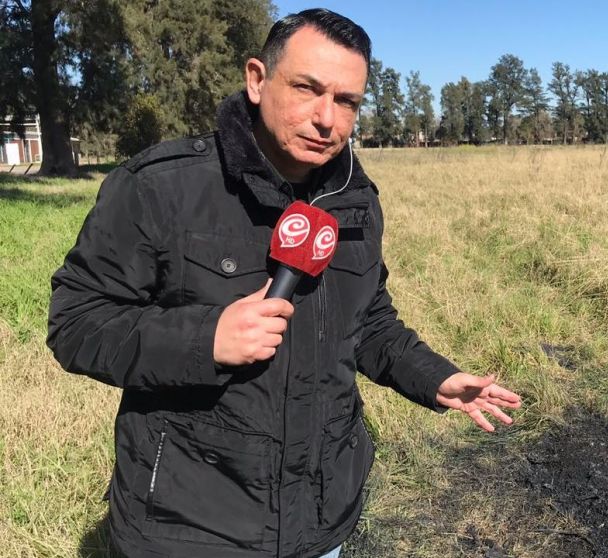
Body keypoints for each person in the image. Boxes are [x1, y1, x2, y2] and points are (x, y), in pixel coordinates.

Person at [47, 9, 521, 558]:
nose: (327, 119)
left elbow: (368, 320)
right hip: (190, 529)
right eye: (307, 89)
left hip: (321, 522)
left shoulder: (356, 200)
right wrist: (206, 340)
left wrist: (435, 379)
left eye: (347, 102)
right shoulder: (161, 188)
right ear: (257, 79)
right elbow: (76, 322)